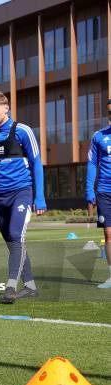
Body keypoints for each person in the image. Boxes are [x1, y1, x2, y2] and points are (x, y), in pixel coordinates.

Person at [0, 92, 46, 304]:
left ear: (6, 108)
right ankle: (30, 286)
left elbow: (37, 164)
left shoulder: (23, 131)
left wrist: (39, 197)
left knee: (16, 236)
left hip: (21, 192)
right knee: (14, 243)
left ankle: (10, 287)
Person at [85, 98, 111, 289]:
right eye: (109, 112)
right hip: (104, 191)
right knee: (109, 235)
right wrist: (89, 189)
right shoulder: (99, 136)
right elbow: (92, 163)